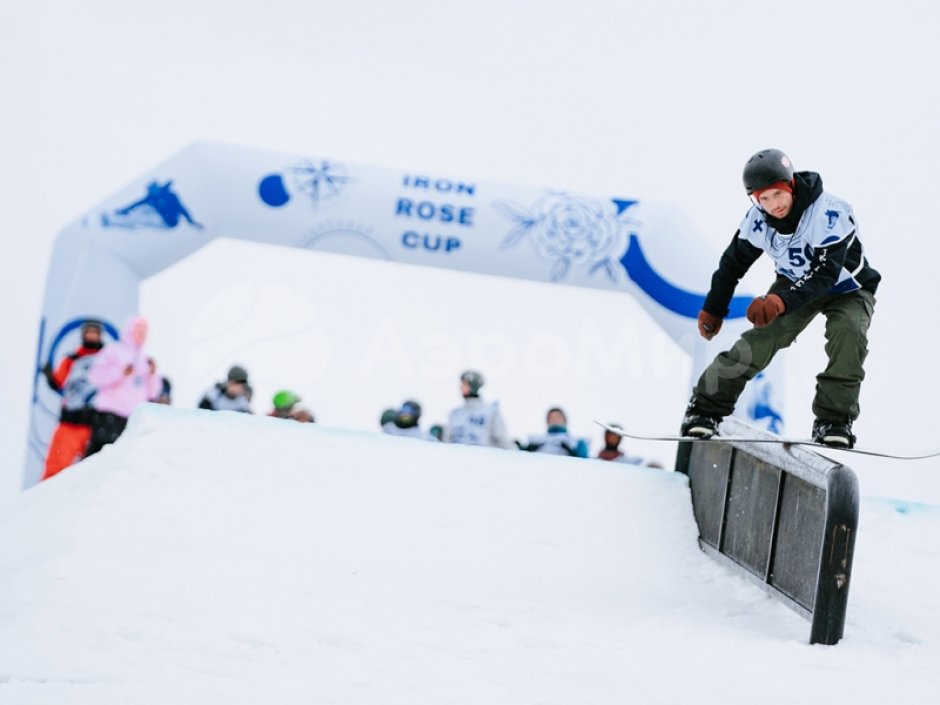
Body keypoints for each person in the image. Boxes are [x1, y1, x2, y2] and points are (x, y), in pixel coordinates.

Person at [681, 149, 880, 448]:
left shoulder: (829, 212)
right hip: (793, 284)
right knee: (761, 339)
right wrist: (714, 308)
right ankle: (704, 409)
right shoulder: (758, 221)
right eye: (764, 198)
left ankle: (833, 420)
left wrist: (781, 301)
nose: (774, 204)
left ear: (791, 185)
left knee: (849, 333)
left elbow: (826, 273)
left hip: (849, 288)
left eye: (778, 193)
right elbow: (732, 264)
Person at [85, 315, 162, 456]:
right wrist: (120, 373)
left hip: (132, 420)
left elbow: (153, 393)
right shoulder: (113, 350)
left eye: (144, 331)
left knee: (123, 460)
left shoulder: (145, 359)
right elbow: (94, 375)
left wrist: (152, 374)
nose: (141, 334)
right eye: (138, 329)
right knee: (99, 459)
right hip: (109, 416)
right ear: (129, 330)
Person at [41, 320, 105, 480]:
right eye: (89, 332)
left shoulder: (108, 361)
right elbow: (58, 382)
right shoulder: (71, 360)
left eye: (95, 333)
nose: (92, 336)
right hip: (70, 423)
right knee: (55, 468)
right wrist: (50, 377)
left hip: (96, 425)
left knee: (96, 473)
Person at [442, 370, 512, 449]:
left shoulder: (491, 412)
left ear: (473, 386)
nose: (460, 387)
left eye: (465, 384)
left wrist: (516, 453)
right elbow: (446, 441)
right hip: (455, 456)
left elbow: (502, 439)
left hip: (481, 456)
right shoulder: (455, 414)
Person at [517, 407, 589, 457]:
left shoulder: (576, 441)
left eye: (558, 417)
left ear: (565, 420)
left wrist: (573, 453)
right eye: (551, 417)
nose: (554, 420)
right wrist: (523, 450)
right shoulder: (536, 439)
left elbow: (583, 459)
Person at [596, 423, 662, 468]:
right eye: (610, 436)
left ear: (620, 439)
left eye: (616, 437)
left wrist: (653, 466)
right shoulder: (594, 461)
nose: (613, 439)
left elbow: (646, 465)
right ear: (605, 437)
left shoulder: (631, 462)